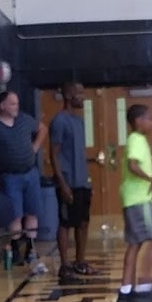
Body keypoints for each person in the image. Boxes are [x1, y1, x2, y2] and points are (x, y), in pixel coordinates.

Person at [0, 90, 47, 265]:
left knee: (33, 211)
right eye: (12, 104)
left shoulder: (25, 120)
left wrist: (35, 147)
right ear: (2, 105)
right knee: (15, 214)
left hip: (30, 172)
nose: (16, 107)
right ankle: (14, 246)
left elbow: (42, 128)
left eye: (17, 103)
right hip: (10, 175)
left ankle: (31, 247)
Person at [117, 104, 152, 302]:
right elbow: (133, 165)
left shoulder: (137, 140)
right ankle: (145, 288)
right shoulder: (136, 140)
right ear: (138, 121)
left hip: (132, 199)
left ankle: (126, 290)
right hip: (139, 200)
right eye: (149, 119)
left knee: (135, 243)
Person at [49, 82, 99, 277]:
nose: (83, 96)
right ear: (69, 96)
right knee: (65, 222)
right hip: (67, 181)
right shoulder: (59, 121)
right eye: (79, 93)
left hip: (81, 181)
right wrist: (62, 184)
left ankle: (80, 261)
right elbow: (54, 155)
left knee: (83, 222)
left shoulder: (79, 121)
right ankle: (64, 265)